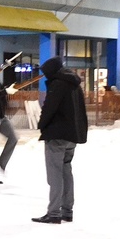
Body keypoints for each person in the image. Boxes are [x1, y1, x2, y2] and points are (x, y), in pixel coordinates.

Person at [33, 56, 88, 224]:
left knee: (55, 174)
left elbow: (49, 108)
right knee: (66, 172)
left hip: (57, 135)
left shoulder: (57, 84)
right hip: (72, 136)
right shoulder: (74, 84)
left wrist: (42, 126)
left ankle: (54, 212)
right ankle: (67, 210)